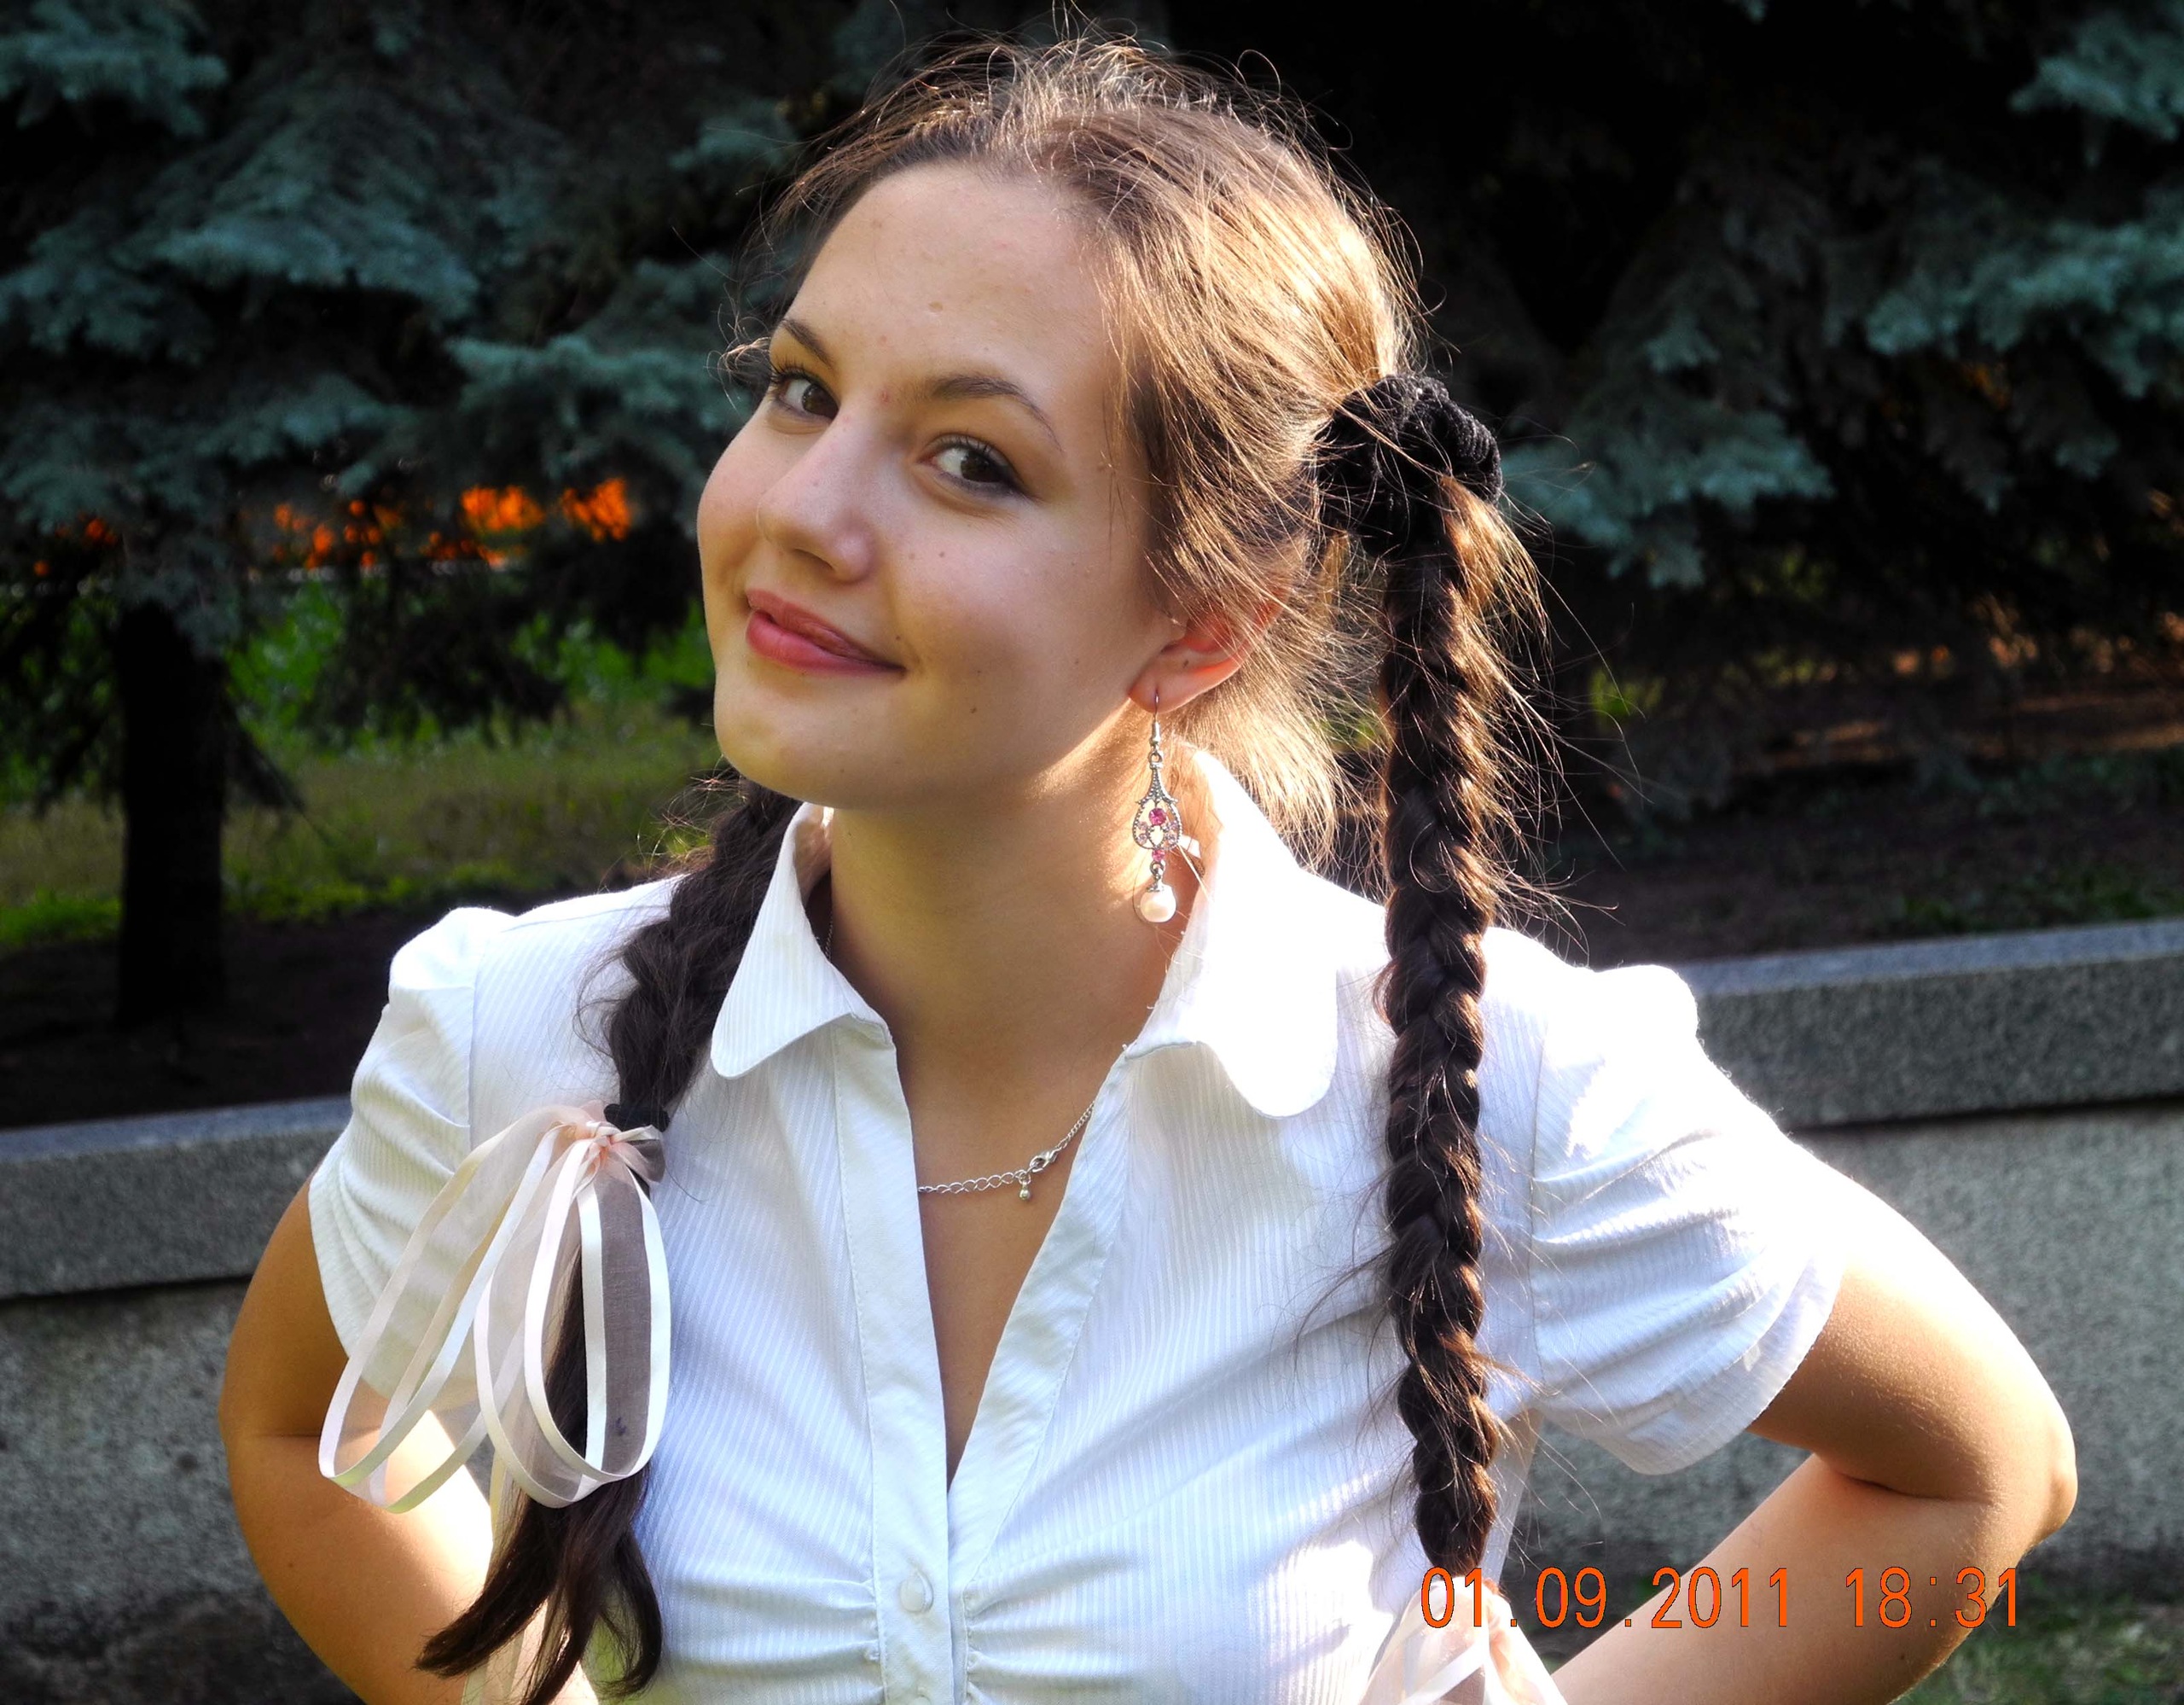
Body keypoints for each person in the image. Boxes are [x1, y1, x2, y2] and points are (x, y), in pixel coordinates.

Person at [219, 33, 2076, 1705]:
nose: (801, 510)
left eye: (969, 460)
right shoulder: (520, 1030)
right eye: (798, 390)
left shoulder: (1482, 1086)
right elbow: (303, 1434)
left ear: (1208, 621)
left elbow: (1971, 1473)